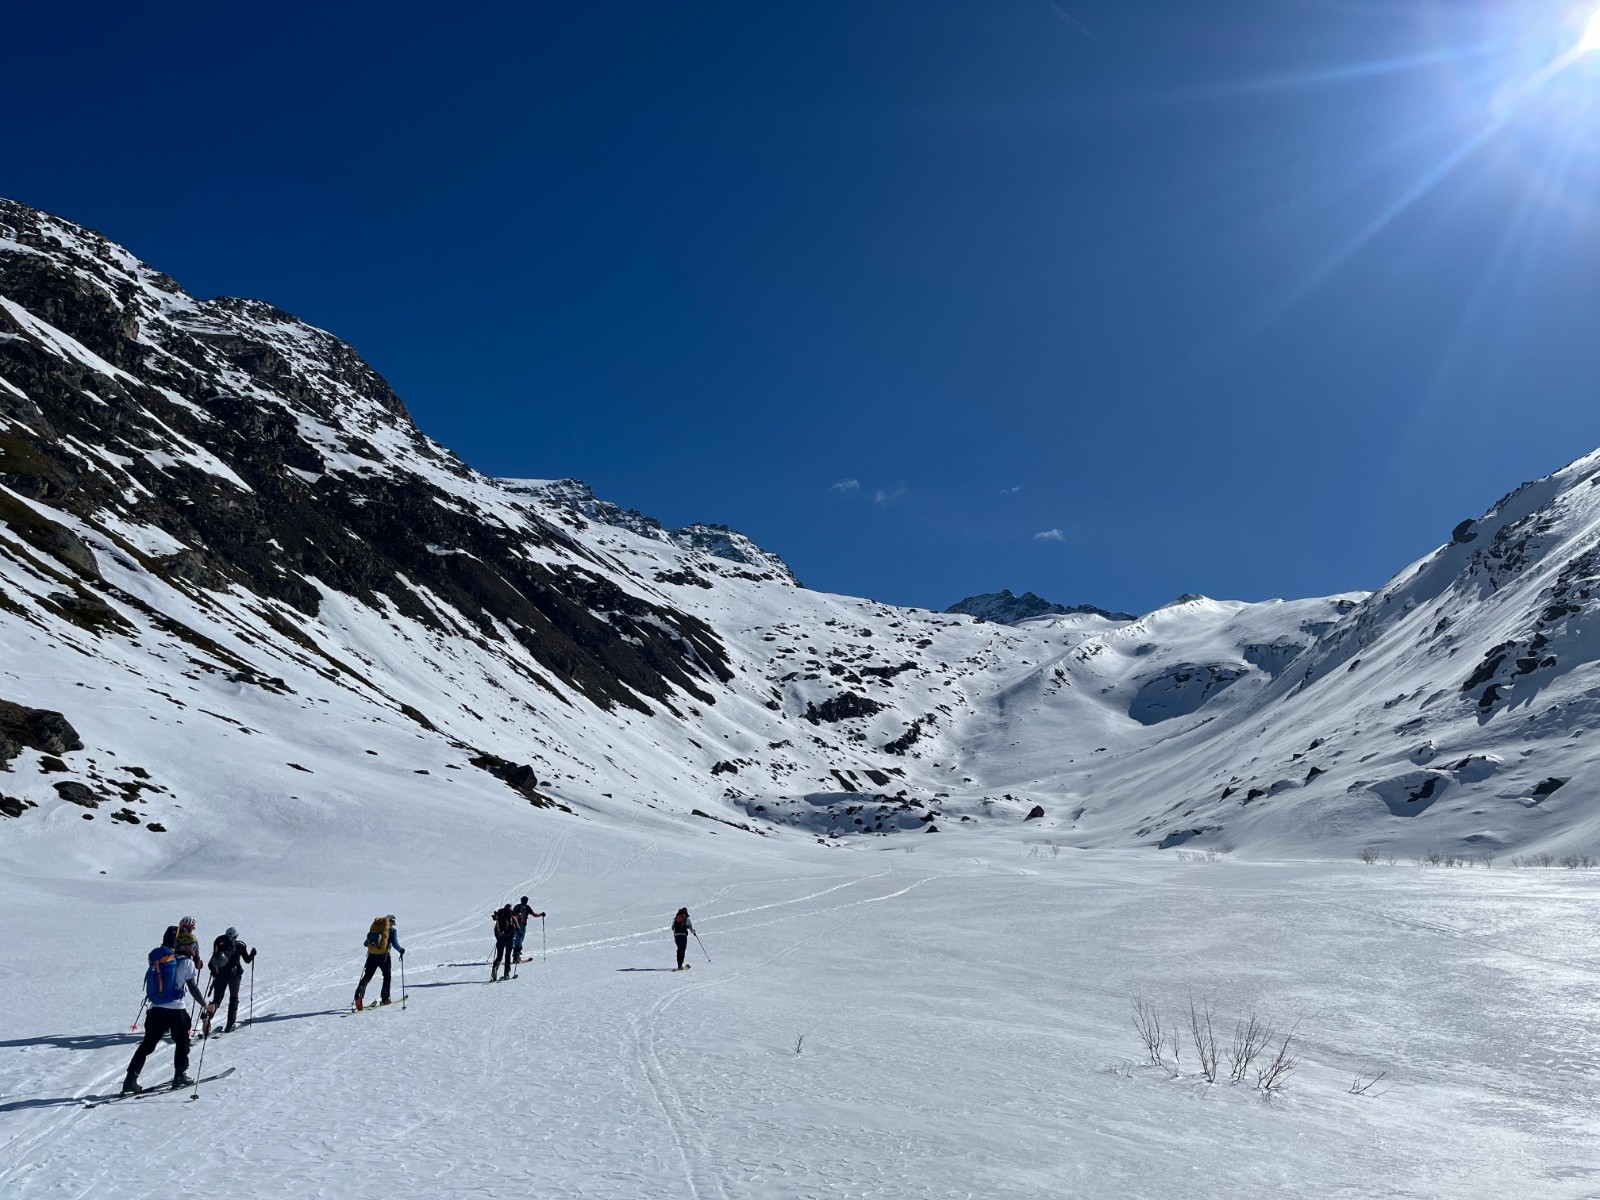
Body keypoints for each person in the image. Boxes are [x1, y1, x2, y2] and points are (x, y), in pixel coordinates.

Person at [123, 926, 214, 1094]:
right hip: (176, 1010)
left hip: (155, 1010)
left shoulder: (163, 960)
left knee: (147, 1045)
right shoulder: (186, 963)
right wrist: (205, 1005)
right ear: (187, 947)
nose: (195, 949)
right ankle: (180, 1076)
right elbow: (192, 987)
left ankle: (130, 1079)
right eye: (193, 946)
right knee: (182, 1042)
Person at [206, 926, 257, 1033]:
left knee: (217, 999)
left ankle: (207, 1017)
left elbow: (212, 962)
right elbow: (247, 960)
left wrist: (215, 972)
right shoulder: (239, 946)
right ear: (236, 936)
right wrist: (252, 954)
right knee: (233, 998)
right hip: (234, 975)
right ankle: (230, 1024)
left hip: (220, 976)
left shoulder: (219, 944)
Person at [354, 915, 404, 1010]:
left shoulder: (375, 929)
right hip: (384, 957)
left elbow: (365, 943)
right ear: (391, 922)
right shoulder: (391, 931)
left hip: (371, 956)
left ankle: (358, 997)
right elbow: (395, 943)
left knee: (367, 977)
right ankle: (385, 999)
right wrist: (401, 950)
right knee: (386, 976)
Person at [512, 896, 544, 964]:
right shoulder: (527, 907)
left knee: (516, 940)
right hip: (522, 926)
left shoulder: (516, 907)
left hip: (515, 925)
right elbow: (534, 915)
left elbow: (512, 916)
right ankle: (516, 957)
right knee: (520, 940)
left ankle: (515, 954)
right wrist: (541, 914)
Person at [490, 904, 518, 981]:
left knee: (499, 956)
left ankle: (495, 969)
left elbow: (495, 929)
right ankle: (506, 973)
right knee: (507, 956)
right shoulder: (512, 917)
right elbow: (518, 929)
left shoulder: (499, 918)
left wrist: (498, 938)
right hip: (509, 940)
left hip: (500, 940)